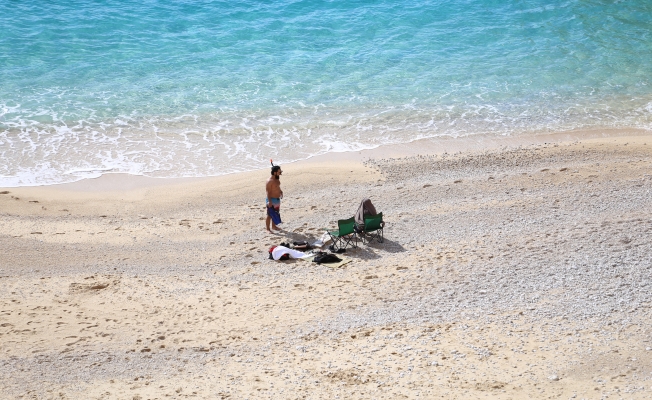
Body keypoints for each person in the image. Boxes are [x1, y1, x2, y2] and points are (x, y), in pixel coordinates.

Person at [266, 165, 283, 232]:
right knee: (269, 215)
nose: (280, 172)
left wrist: (280, 191)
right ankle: (267, 229)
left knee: (275, 213)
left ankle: (274, 226)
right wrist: (269, 201)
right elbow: (268, 192)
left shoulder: (277, 178)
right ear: (274, 172)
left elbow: (277, 187)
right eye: (279, 171)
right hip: (271, 200)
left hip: (277, 199)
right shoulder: (269, 181)